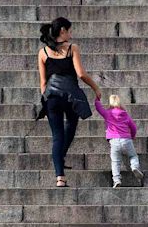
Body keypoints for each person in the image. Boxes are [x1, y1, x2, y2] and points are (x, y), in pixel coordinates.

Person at [37, 16, 102, 187]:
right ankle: (61, 156)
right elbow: (81, 74)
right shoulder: (73, 48)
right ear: (62, 31)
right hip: (71, 96)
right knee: (71, 126)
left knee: (57, 136)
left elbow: (43, 82)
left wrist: (45, 100)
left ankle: (60, 177)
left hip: (51, 97)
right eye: (70, 30)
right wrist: (96, 88)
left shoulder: (43, 53)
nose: (71, 35)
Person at [95, 94, 144, 188]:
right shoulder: (125, 114)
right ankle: (134, 167)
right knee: (133, 156)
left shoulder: (107, 113)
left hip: (114, 141)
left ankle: (117, 180)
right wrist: (132, 136)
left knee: (115, 161)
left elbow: (98, 108)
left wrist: (97, 98)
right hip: (127, 140)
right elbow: (133, 127)